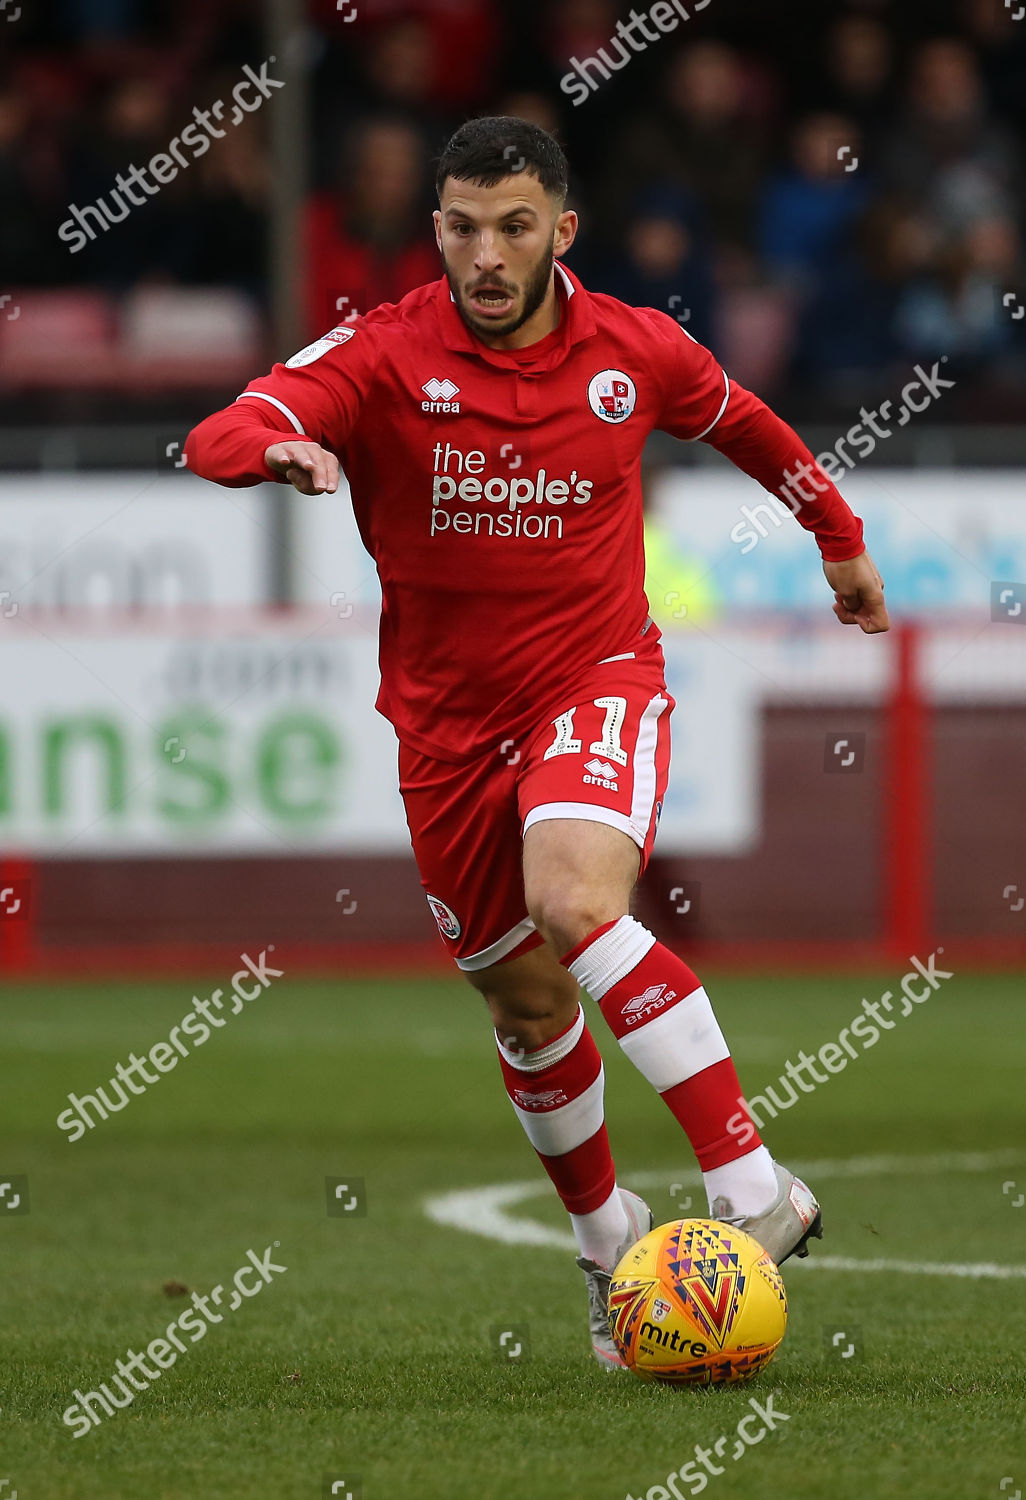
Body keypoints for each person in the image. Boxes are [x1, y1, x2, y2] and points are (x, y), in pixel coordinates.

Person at [186, 117, 890, 1369]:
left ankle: (753, 1186)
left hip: (594, 676)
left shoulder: (634, 348)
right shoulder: (385, 352)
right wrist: (274, 451)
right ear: (438, 231)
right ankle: (605, 1245)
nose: (487, 254)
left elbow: (748, 425)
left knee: (573, 901)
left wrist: (836, 537)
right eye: (463, 227)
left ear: (562, 231)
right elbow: (225, 425)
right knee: (525, 1006)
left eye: (515, 226)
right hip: (447, 728)